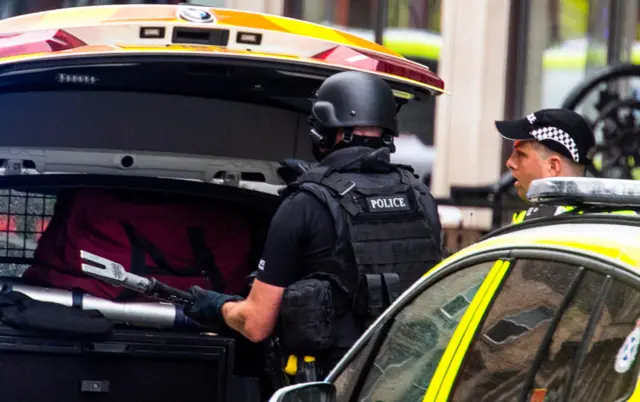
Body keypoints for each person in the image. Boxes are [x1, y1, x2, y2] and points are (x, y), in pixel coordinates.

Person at [185, 70, 444, 381]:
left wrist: (217, 307)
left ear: (325, 130)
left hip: (334, 384)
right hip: (410, 381)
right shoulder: (420, 196)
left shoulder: (304, 204)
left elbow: (256, 324)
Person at [495, 108, 597, 223]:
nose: (510, 163)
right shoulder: (602, 222)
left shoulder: (538, 226)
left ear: (553, 167)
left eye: (521, 154)